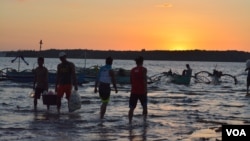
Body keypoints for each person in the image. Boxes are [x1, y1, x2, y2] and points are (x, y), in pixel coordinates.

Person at [128, 56, 148, 124]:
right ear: (142, 62)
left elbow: (130, 81)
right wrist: (146, 90)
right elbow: (144, 80)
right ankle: (144, 121)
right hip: (142, 91)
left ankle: (130, 122)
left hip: (134, 91)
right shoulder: (144, 69)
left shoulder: (132, 70)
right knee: (144, 106)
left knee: (132, 108)